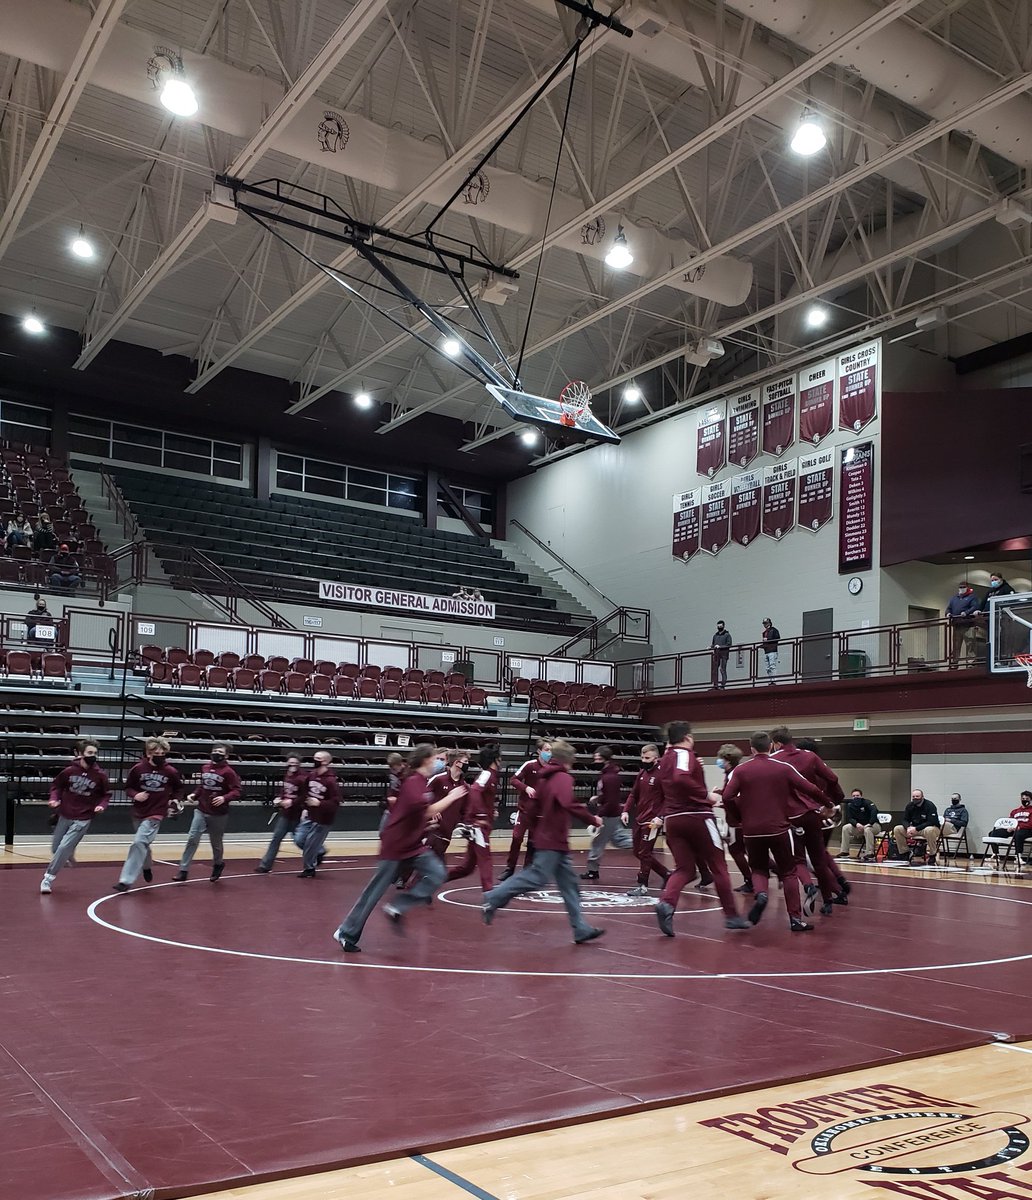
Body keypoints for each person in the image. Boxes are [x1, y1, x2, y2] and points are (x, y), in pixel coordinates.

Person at [333, 744, 467, 952]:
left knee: (437, 873)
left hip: (413, 844)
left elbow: (417, 815)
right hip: (396, 845)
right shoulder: (413, 781)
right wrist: (451, 797)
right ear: (426, 760)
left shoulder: (422, 783)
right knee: (374, 891)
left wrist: (426, 824)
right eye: (437, 759)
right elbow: (425, 810)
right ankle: (346, 931)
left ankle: (397, 906)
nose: (440, 763)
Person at [481, 739, 605, 943]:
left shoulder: (545, 778)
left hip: (551, 838)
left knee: (569, 885)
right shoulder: (562, 778)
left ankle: (580, 928)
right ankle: (493, 897)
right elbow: (568, 803)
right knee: (536, 877)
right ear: (568, 759)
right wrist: (592, 819)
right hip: (553, 840)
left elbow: (534, 806)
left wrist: (536, 828)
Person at [721, 732, 826, 932]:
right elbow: (810, 788)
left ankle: (761, 894)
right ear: (770, 747)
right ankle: (795, 919)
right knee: (788, 872)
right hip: (779, 828)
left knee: (759, 869)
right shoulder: (783, 768)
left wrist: (739, 816)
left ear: (751, 749)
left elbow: (727, 796)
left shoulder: (741, 770)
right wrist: (827, 803)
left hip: (751, 831)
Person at [653, 721, 749, 936]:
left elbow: (671, 781)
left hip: (674, 820)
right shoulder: (682, 754)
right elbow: (681, 777)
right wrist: (707, 796)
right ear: (687, 737)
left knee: (684, 869)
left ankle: (667, 903)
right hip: (697, 816)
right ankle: (732, 916)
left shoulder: (665, 758)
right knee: (718, 866)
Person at [770, 727, 845, 916]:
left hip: (790, 815)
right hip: (814, 813)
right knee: (820, 858)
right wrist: (833, 801)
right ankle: (828, 900)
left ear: (776, 743)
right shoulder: (810, 756)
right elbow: (832, 778)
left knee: (798, 859)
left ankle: (809, 886)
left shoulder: (775, 760)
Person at [40, 742, 111, 894]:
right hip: (65, 814)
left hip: (83, 817)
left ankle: (48, 879)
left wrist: (101, 806)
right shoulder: (69, 771)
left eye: (95, 753)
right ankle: (68, 853)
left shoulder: (100, 775)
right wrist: (54, 798)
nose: (93, 756)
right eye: (90, 753)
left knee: (63, 847)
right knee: (56, 848)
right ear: (80, 753)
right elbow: (56, 786)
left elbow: (106, 794)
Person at [115, 738, 182, 891]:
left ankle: (125, 880)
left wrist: (174, 801)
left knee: (138, 842)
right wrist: (135, 795)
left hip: (157, 812)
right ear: (148, 753)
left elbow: (178, 789)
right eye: (156, 753)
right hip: (139, 810)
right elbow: (128, 787)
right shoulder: (138, 769)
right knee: (143, 844)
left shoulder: (170, 771)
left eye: (162, 753)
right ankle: (146, 866)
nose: (160, 755)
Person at [174, 744, 241, 882]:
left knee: (216, 843)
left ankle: (218, 864)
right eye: (214, 751)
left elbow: (237, 791)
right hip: (201, 809)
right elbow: (202, 785)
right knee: (193, 838)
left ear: (226, 756)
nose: (216, 753)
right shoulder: (205, 767)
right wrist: (194, 794)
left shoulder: (229, 772)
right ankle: (183, 870)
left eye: (220, 752)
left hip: (218, 813)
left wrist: (224, 798)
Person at [446, 744, 501, 892]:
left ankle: (435, 878)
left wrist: (490, 811)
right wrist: (481, 814)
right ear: (496, 759)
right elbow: (475, 791)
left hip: (482, 824)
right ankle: (490, 895)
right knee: (485, 859)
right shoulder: (487, 774)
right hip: (478, 826)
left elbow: (481, 795)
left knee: (467, 867)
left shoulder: (491, 775)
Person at [621, 743, 670, 897]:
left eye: (647, 758)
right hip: (639, 818)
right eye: (642, 757)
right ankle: (666, 874)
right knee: (638, 852)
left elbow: (668, 798)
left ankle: (642, 885)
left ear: (656, 758)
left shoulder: (662, 774)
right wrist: (625, 810)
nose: (644, 760)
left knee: (644, 852)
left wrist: (660, 816)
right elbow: (633, 794)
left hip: (652, 821)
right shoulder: (642, 772)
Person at [501, 738, 551, 880]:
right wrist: (526, 787)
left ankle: (527, 870)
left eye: (551, 750)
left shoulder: (552, 768)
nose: (549, 753)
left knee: (533, 842)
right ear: (539, 751)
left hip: (540, 813)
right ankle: (509, 868)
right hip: (525, 811)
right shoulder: (530, 765)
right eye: (547, 750)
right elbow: (513, 779)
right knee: (516, 838)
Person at [581, 745, 633, 880]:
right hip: (611, 812)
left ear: (605, 759)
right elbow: (608, 795)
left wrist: (599, 814)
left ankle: (593, 870)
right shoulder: (607, 775)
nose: (595, 762)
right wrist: (598, 798)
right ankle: (639, 843)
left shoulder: (609, 777)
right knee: (618, 840)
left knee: (598, 842)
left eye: (597, 759)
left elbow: (611, 799)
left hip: (609, 814)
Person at [255, 756, 305, 872]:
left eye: (294, 763)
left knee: (300, 840)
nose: (291, 765)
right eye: (290, 763)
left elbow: (304, 796)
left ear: (299, 764)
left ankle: (318, 852)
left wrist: (292, 802)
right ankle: (265, 865)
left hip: (297, 813)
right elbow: (285, 791)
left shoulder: (302, 778)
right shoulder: (288, 776)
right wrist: (280, 798)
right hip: (286, 814)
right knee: (276, 838)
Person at [713, 743, 752, 892]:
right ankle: (772, 872)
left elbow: (737, 797)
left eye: (720, 759)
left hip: (736, 820)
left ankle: (751, 880)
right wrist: (722, 792)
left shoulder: (733, 774)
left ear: (727, 760)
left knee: (737, 850)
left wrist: (723, 803)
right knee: (746, 850)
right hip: (737, 818)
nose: (719, 761)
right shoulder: (732, 773)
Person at [296, 750, 340, 877]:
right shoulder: (311, 776)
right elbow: (305, 793)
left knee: (310, 843)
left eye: (318, 758)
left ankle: (309, 868)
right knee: (299, 839)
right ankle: (319, 851)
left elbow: (335, 802)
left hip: (323, 819)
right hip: (310, 815)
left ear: (325, 761)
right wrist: (304, 807)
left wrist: (319, 803)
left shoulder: (331, 781)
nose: (314, 760)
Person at [892, 789, 942, 865]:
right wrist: (908, 827)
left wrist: (916, 828)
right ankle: (905, 853)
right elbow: (904, 819)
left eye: (917, 796)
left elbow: (931, 821)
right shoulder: (910, 805)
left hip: (929, 828)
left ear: (922, 797)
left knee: (929, 830)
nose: (915, 798)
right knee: (897, 829)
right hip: (914, 828)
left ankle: (932, 854)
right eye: (913, 796)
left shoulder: (930, 805)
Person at [986, 792, 1032, 867]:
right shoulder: (1015, 811)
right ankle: (995, 855)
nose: (1024, 800)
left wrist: (1019, 827)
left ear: (1030, 800)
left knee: (1018, 835)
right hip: (1013, 829)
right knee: (992, 833)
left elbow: (1030, 823)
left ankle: (1018, 856)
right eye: (1023, 799)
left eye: (1027, 799)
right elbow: (1010, 821)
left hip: (1026, 829)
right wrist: (1009, 827)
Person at [837, 787, 879, 861]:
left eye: (857, 796)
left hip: (873, 826)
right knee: (845, 828)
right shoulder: (850, 805)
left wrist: (870, 823)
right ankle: (845, 852)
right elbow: (850, 818)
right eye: (854, 796)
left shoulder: (867, 802)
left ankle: (870, 853)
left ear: (861, 796)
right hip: (860, 827)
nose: (856, 797)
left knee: (868, 829)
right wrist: (856, 824)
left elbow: (874, 811)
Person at [946, 581, 979, 665]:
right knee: (956, 645)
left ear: (967, 587)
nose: (961, 589)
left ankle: (971, 661)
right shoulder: (954, 598)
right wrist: (948, 613)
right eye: (960, 587)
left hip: (968, 624)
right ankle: (954, 662)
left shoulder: (972, 597)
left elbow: (974, 607)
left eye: (963, 587)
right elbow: (949, 608)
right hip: (957, 624)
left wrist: (966, 612)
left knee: (970, 642)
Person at [380, 752, 405, 834]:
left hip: (402, 808)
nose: (392, 770)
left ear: (400, 764)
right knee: (383, 832)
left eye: (393, 768)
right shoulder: (393, 774)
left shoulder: (407, 775)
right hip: (391, 807)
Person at [710, 620, 732, 689]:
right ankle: (715, 685)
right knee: (715, 670)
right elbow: (713, 644)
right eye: (718, 626)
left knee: (722, 669)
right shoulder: (715, 635)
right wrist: (710, 647)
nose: (719, 627)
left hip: (724, 655)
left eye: (720, 626)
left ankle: (723, 685)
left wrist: (720, 647)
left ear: (723, 626)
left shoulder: (727, 635)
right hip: (716, 655)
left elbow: (729, 644)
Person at [760, 618, 780, 683]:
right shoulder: (765, 632)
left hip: (772, 650)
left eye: (766, 623)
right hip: (767, 650)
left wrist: (767, 639)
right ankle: (771, 680)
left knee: (772, 665)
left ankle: (773, 680)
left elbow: (777, 638)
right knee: (767, 667)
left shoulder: (774, 630)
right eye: (764, 623)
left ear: (769, 623)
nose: (765, 624)